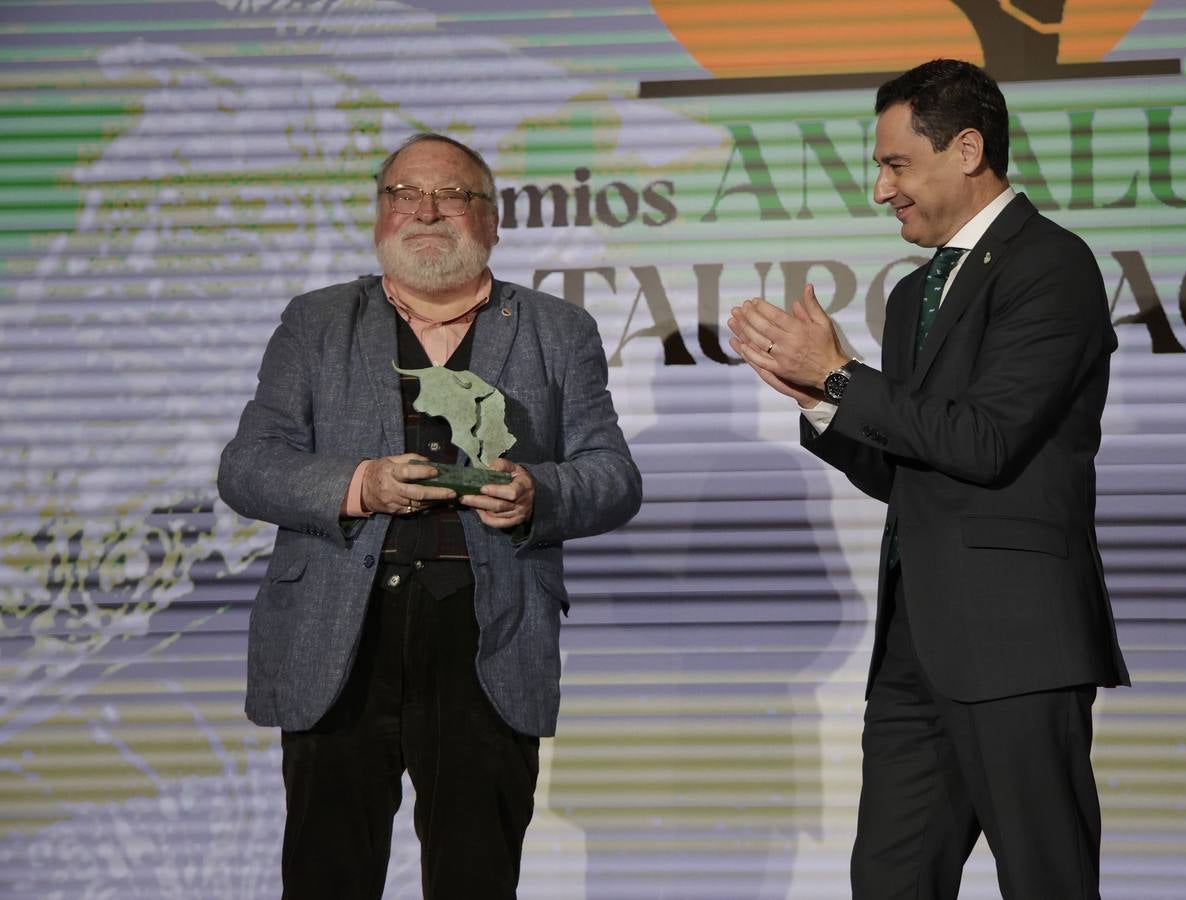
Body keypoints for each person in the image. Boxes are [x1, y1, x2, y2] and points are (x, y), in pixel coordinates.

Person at [726, 59, 1130, 899]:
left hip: (1018, 642)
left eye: (895, 164)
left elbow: (985, 444)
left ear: (968, 149)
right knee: (890, 878)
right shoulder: (914, 294)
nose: (881, 190)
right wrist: (822, 403)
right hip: (916, 647)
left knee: (1044, 879)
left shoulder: (1051, 264)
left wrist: (843, 376)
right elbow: (913, 473)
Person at [217, 132, 641, 899]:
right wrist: (359, 483)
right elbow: (248, 467)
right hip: (337, 632)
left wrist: (537, 492)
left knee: (475, 876)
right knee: (326, 876)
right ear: (380, 217)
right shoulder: (315, 323)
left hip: (489, 631)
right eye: (404, 195)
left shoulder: (555, 329)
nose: (427, 212)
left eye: (451, 195)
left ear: (492, 219)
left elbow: (612, 476)